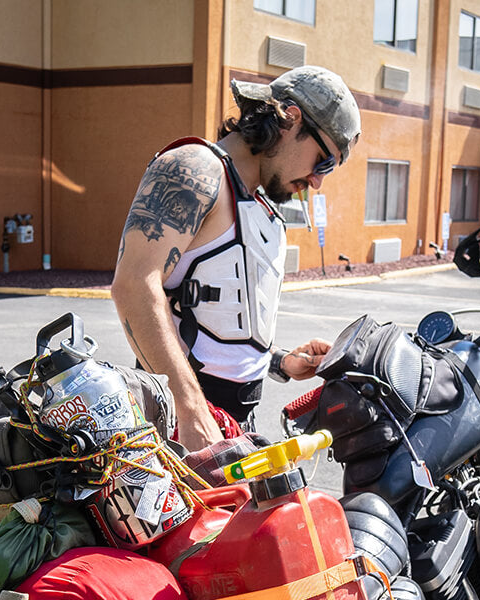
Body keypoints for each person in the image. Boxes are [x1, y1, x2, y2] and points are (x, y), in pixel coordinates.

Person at [111, 66, 361, 452]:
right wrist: (191, 411)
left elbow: (223, 322)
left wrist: (280, 362)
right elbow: (133, 285)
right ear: (290, 119)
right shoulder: (194, 169)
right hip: (177, 429)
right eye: (324, 161)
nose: (317, 181)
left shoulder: (260, 204)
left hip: (236, 426)